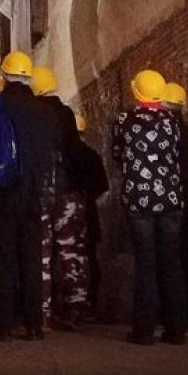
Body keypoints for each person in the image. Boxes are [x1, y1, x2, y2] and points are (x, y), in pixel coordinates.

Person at [0, 52, 61, 342]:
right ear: (29, 77)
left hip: (0, 194)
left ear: (4, 76)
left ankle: (2, 324)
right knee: (31, 259)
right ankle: (34, 324)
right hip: (33, 195)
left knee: (2, 259)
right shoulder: (44, 111)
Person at [113, 69, 188, 346]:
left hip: (139, 202)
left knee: (146, 263)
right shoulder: (172, 122)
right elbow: (177, 153)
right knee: (171, 262)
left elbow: (117, 154)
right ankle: (176, 329)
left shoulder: (124, 120)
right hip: (170, 199)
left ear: (136, 93)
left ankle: (144, 330)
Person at [31, 66, 86, 329]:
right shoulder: (65, 114)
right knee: (70, 250)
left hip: (41, 191)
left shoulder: (34, 115)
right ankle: (75, 307)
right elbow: (76, 152)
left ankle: (43, 312)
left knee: (41, 253)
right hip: (68, 192)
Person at [162, 81, 188, 327]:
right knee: (184, 257)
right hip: (183, 197)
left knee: (165, 259)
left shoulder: (164, 131)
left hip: (163, 200)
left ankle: (170, 314)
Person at [74, 114, 109, 320]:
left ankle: (67, 302)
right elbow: (103, 192)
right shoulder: (92, 156)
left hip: (66, 217)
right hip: (89, 214)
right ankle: (90, 302)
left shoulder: (64, 155)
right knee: (89, 257)